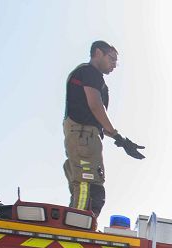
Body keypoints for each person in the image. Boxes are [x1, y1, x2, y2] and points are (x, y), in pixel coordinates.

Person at [63, 40, 146, 218]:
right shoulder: (90, 73)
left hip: (85, 136)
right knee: (89, 187)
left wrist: (121, 140)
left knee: (88, 188)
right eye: (112, 58)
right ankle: (78, 227)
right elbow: (95, 105)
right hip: (84, 137)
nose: (114, 65)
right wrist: (115, 134)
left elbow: (95, 118)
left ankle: (78, 224)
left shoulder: (87, 75)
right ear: (98, 52)